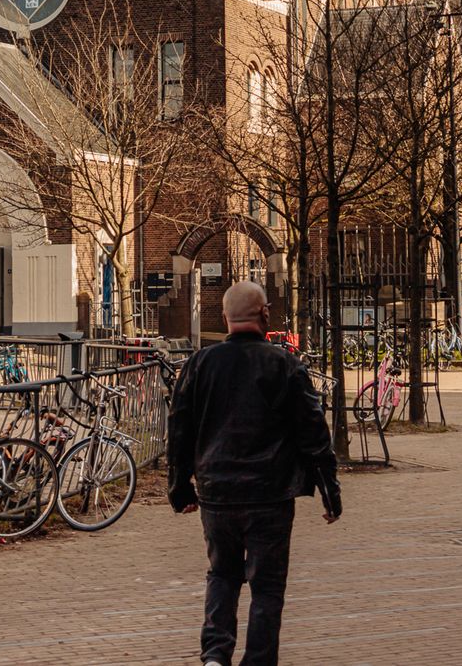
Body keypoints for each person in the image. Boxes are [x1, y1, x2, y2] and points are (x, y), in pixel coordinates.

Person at [168, 280, 341, 666]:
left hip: (217, 493)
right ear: (264, 314)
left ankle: (215, 655)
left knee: (222, 575)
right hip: (270, 495)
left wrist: (180, 488)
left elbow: (179, 429)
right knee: (267, 587)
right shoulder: (285, 365)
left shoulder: (200, 364)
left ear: (225, 316)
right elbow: (314, 433)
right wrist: (329, 491)